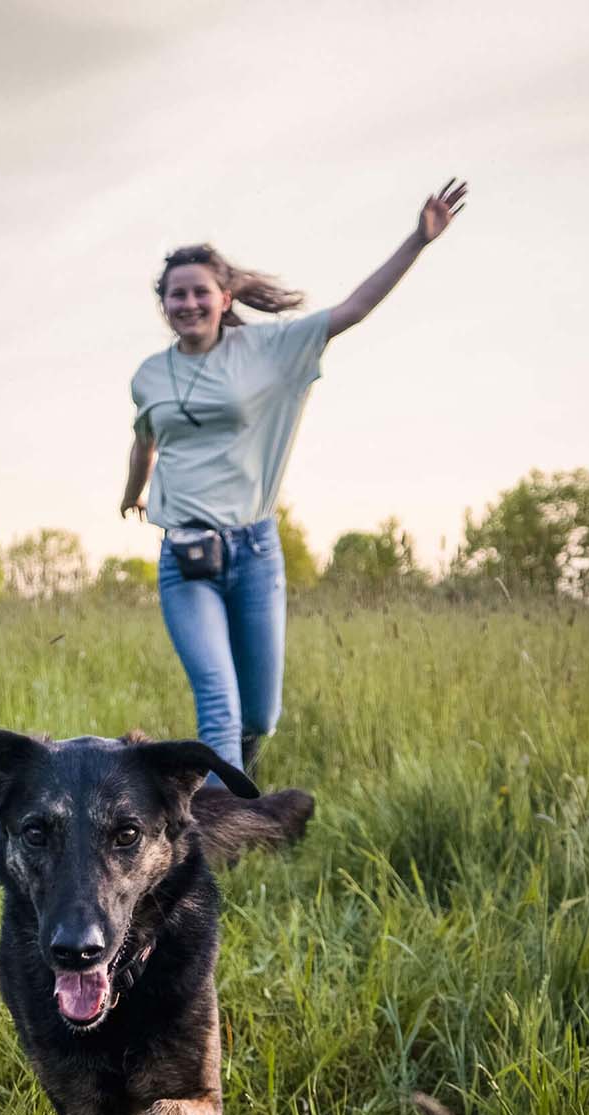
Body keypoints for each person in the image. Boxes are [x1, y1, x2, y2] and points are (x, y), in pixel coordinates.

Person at [120, 179, 467, 780]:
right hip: (184, 557)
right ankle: (221, 833)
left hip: (253, 551)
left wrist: (418, 240)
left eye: (200, 292)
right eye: (176, 295)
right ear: (164, 304)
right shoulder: (150, 374)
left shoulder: (268, 350)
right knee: (218, 703)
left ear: (225, 298)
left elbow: (353, 309)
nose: (188, 304)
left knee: (261, 713)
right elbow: (145, 440)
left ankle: (239, 777)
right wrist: (133, 496)